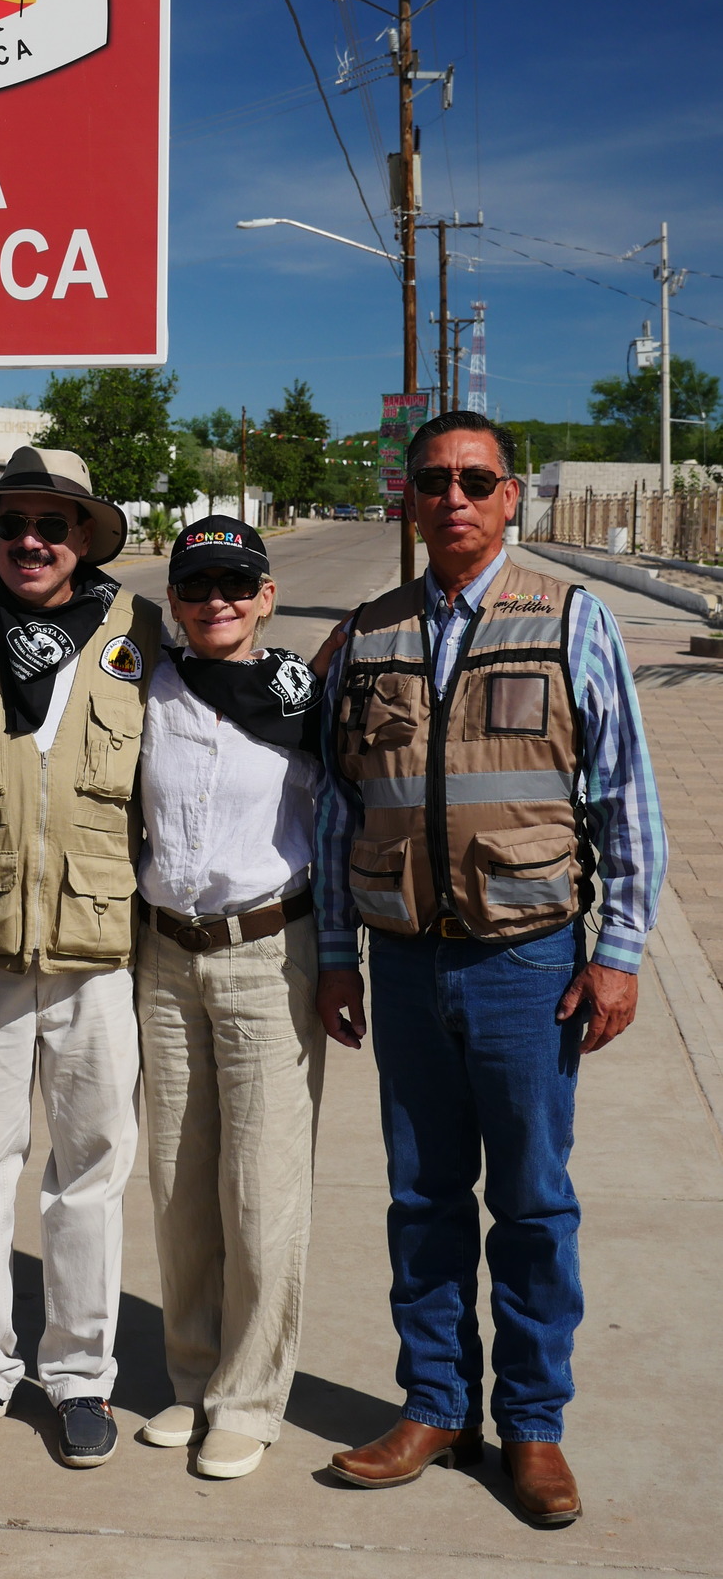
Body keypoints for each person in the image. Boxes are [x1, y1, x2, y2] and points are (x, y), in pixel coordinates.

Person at [313, 410, 666, 1526]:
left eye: (475, 478)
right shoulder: (365, 636)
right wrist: (335, 950)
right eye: (432, 479)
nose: (453, 496)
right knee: (420, 1199)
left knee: (529, 1200)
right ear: (406, 499)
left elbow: (625, 800)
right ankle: (432, 1404)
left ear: (509, 496)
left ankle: (533, 1424)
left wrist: (616, 954)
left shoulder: (574, 619)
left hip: (528, 964)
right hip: (406, 962)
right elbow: (334, 808)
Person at [0, 447, 160, 1469]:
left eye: (52, 525)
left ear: (84, 537)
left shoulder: (137, 631)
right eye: (12, 522)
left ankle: (78, 1376)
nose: (30, 540)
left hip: (98, 948)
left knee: (89, 1172)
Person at [136, 517, 339, 1479]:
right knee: (179, 1186)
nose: (215, 600)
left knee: (259, 1191)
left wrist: (340, 958)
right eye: (194, 585)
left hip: (267, 954)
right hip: (164, 961)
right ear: (172, 600)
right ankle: (191, 1379)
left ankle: (250, 1397)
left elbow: (342, 825)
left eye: (234, 584)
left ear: (264, 597)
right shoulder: (145, 687)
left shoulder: (306, 699)